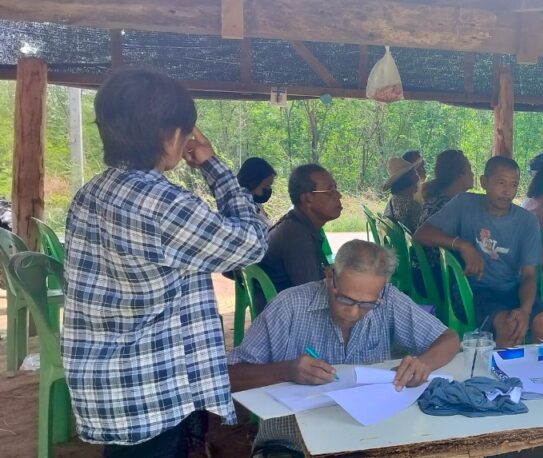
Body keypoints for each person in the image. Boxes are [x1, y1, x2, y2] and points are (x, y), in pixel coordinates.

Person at [61, 69, 268, 457]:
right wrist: (213, 165)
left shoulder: (91, 192)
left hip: (110, 384)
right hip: (152, 390)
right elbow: (252, 243)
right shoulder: (166, 204)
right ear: (173, 137)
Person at [229, 240, 459, 456]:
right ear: (330, 277)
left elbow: (449, 338)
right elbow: (230, 375)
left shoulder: (388, 300)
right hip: (293, 444)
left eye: (367, 304)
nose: (353, 312)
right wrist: (286, 371)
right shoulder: (289, 306)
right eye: (345, 299)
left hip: (366, 437)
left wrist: (423, 364)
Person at [415, 156, 543, 348]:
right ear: (484, 182)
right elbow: (421, 234)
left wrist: (525, 310)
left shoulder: (527, 221)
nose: (507, 191)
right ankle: (501, 368)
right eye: (501, 183)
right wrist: (462, 245)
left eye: (514, 185)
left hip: (514, 288)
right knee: (508, 325)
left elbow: (529, 275)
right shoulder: (464, 204)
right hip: (477, 290)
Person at [259, 164, 343, 295]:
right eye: (329, 190)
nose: (338, 195)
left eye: (336, 189)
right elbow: (312, 296)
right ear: (307, 198)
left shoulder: (298, 226)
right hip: (290, 307)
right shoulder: (296, 238)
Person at [419, 149, 474, 226]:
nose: (472, 174)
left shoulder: (441, 202)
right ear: (458, 174)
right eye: (469, 169)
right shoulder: (444, 208)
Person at [383, 156, 424, 231]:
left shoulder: (393, 199)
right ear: (406, 179)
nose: (418, 177)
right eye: (414, 173)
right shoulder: (412, 205)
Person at [236, 157, 277, 225]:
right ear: (254, 181)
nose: (268, 189)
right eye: (267, 185)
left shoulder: (255, 202)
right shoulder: (240, 204)